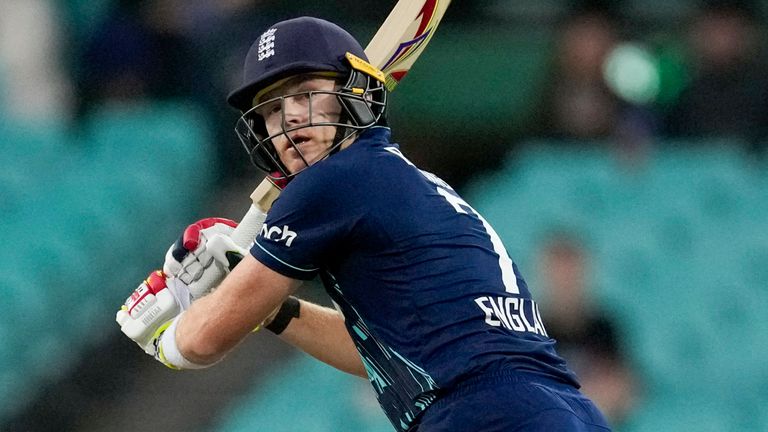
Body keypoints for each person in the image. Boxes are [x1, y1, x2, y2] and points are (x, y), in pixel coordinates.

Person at [116, 16, 611, 431]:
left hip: (482, 415)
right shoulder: (402, 179)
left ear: (354, 95)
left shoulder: (333, 182)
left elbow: (200, 345)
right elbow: (380, 354)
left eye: (305, 93)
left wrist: (166, 331)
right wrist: (264, 308)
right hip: (562, 412)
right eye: (270, 109)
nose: (288, 120)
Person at [536, 232, 638, 427]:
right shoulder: (528, 330)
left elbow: (627, 389)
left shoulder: (605, 328)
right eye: (559, 272)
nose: (565, 281)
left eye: (570, 271)